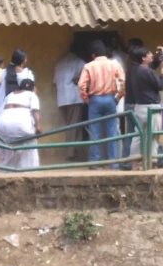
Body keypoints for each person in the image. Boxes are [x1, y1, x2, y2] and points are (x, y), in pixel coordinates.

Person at [78, 40, 125, 169]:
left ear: (93, 55)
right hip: (110, 99)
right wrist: (118, 97)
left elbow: (81, 85)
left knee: (94, 132)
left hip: (95, 100)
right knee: (112, 132)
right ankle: (113, 163)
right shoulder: (114, 64)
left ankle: (94, 162)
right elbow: (122, 81)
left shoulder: (88, 66)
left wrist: (86, 99)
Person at [125, 44, 163, 169]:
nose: (151, 55)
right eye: (149, 54)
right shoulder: (146, 71)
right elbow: (160, 85)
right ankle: (152, 164)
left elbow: (150, 67)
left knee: (138, 136)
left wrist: (157, 56)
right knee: (153, 136)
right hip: (151, 108)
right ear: (143, 58)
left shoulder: (133, 70)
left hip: (139, 107)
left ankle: (134, 164)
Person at [0, 79, 42, 171]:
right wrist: (38, 127)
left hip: (2, 124)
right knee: (30, 143)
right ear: (32, 88)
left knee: (8, 146)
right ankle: (29, 172)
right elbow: (35, 110)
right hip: (21, 123)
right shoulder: (32, 95)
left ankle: (5, 172)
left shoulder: (10, 95)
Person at [53, 45, 86, 161]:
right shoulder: (79, 62)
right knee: (74, 127)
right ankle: (71, 154)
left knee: (70, 126)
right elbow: (83, 79)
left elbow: (55, 81)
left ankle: (77, 153)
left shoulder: (59, 63)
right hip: (74, 98)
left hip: (61, 99)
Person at [120, 38, 146, 170]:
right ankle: (161, 157)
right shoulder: (140, 71)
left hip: (129, 103)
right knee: (147, 131)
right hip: (136, 104)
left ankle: (126, 161)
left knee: (131, 133)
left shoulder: (130, 69)